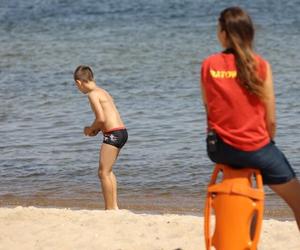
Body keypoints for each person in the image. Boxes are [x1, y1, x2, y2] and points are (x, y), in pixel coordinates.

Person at [200, 6, 300, 230]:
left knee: (248, 175)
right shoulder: (260, 65)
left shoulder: (208, 65)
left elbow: (208, 107)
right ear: (249, 33)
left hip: (220, 148)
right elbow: (271, 120)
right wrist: (267, 142)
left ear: (224, 34)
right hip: (256, 148)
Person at [73, 65, 128, 210]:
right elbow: (106, 118)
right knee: (108, 171)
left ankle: (110, 209)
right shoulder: (103, 91)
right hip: (121, 131)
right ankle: (114, 206)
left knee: (103, 172)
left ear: (79, 83)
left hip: (113, 133)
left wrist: (90, 129)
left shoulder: (92, 94)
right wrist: (97, 129)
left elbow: (101, 118)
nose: (79, 90)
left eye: (76, 86)